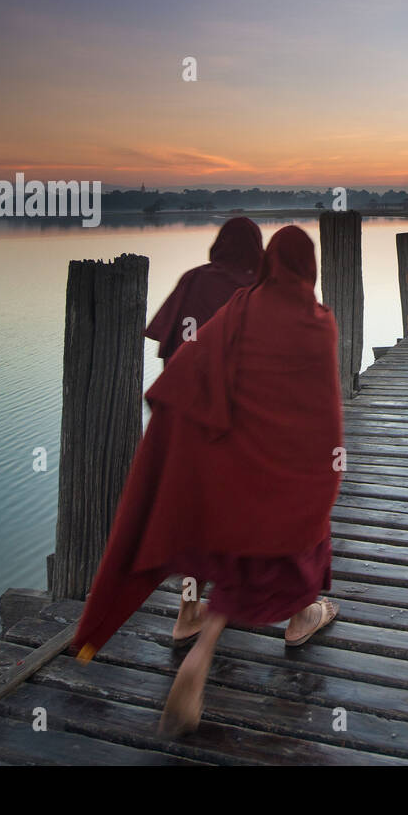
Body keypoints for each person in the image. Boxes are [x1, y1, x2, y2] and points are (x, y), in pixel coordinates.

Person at [70, 225, 344, 738]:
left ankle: (189, 614)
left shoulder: (236, 302)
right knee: (293, 530)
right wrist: (324, 471)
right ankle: (299, 616)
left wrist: (183, 429)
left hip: (202, 429)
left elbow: (177, 360)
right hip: (269, 450)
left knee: (199, 528)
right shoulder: (315, 322)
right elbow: (323, 414)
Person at [143, 216, 264, 645]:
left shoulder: (193, 280)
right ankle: (294, 606)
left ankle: (188, 613)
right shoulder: (260, 291)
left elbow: (169, 353)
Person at [145, 216, 263, 361]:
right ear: (257, 245)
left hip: (197, 365)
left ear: (220, 243)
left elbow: (180, 333)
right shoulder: (267, 284)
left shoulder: (194, 278)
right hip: (247, 369)